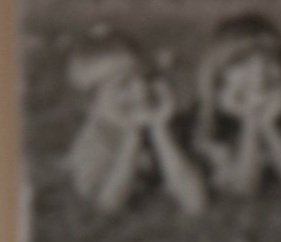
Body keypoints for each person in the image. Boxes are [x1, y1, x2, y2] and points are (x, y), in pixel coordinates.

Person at [65, 26, 206, 216]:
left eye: (147, 78)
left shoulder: (171, 126)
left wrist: (160, 130)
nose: (142, 92)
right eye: (124, 85)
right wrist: (132, 136)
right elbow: (108, 206)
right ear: (91, 104)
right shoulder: (94, 142)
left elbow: (196, 203)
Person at [193, 13, 281, 196]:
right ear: (219, 72)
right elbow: (243, 187)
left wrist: (269, 125)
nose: (259, 73)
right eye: (242, 63)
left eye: (270, 60)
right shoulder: (208, 120)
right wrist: (249, 120)